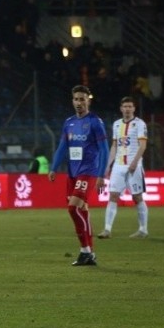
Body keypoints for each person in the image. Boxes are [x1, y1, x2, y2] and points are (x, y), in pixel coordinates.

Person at [48, 85, 109, 266]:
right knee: (82, 211)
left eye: (82, 99)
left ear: (88, 100)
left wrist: (101, 175)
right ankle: (89, 253)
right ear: (72, 100)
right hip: (72, 172)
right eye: (76, 99)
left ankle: (85, 251)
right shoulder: (69, 123)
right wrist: (53, 167)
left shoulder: (95, 122)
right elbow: (62, 147)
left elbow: (104, 150)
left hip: (88, 172)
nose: (79, 103)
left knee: (73, 208)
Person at [98, 97, 149, 239]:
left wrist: (135, 162)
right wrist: (108, 165)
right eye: (125, 106)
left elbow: (143, 145)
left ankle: (143, 230)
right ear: (121, 108)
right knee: (113, 195)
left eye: (130, 106)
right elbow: (115, 146)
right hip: (118, 166)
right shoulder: (116, 125)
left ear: (134, 108)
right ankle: (107, 230)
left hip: (134, 165)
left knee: (137, 197)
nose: (127, 109)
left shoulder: (140, 124)